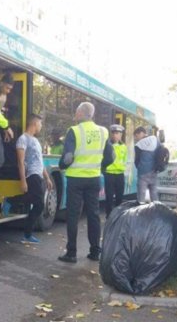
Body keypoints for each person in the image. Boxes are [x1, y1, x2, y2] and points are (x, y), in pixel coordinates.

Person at [58, 102, 114, 263]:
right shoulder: (103, 132)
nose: (75, 115)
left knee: (73, 215)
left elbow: (68, 157)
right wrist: (99, 168)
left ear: (82, 114)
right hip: (94, 179)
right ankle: (95, 251)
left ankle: (71, 253)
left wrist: (61, 166)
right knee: (93, 215)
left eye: (76, 112)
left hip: (75, 179)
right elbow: (111, 157)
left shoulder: (74, 131)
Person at [1, 113, 53, 243]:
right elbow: (20, 161)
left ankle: (10, 202)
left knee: (35, 202)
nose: (41, 126)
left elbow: (40, 162)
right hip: (32, 175)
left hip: (39, 175)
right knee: (39, 204)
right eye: (40, 123)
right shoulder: (23, 139)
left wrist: (47, 178)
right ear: (34, 124)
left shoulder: (36, 141)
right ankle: (27, 234)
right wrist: (23, 180)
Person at [103, 124, 127, 218]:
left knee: (119, 197)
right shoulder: (107, 145)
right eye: (113, 133)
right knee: (109, 197)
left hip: (120, 174)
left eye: (117, 133)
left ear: (121, 135)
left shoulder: (123, 147)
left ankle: (118, 216)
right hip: (109, 174)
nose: (115, 135)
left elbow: (124, 160)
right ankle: (108, 216)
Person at [0, 73, 15, 176]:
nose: (8, 91)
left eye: (10, 89)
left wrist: (4, 130)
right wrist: (6, 127)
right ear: (1, 83)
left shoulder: (4, 96)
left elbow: (0, 114)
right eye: (7, 88)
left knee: (0, 159)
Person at [134, 126, 159, 204]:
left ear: (141, 133)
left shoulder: (139, 144)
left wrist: (139, 167)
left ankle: (140, 211)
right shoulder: (156, 139)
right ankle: (156, 211)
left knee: (141, 195)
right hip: (154, 171)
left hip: (143, 172)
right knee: (154, 193)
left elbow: (137, 160)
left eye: (136, 136)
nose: (136, 138)